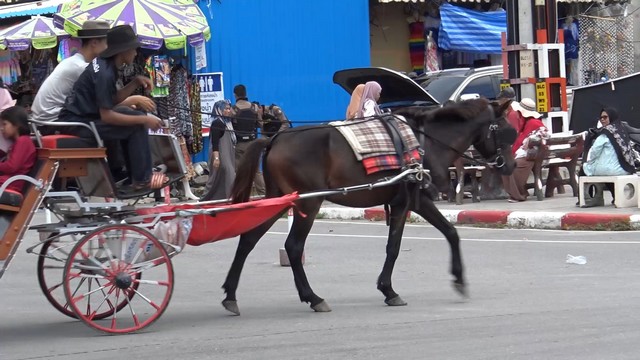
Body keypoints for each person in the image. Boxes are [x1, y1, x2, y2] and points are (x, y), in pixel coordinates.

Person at [58, 25, 166, 192]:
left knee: (132, 114)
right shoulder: (105, 74)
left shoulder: (104, 65)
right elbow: (107, 116)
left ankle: (131, 176)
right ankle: (142, 180)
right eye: (133, 49)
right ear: (123, 51)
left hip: (83, 119)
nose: (136, 53)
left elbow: (112, 100)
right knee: (137, 124)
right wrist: (145, 120)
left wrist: (135, 82)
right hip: (79, 124)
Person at [502, 98, 548, 202]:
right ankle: (516, 192)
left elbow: (542, 137)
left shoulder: (534, 123)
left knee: (514, 167)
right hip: (528, 154)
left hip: (532, 155)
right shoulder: (526, 123)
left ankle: (518, 194)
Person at [232, 84, 265, 195]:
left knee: (240, 171)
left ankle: (243, 195)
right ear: (246, 94)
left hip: (239, 144)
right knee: (256, 171)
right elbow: (260, 125)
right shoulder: (255, 107)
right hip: (253, 143)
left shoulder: (233, 109)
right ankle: (263, 194)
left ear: (235, 95)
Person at [582, 108, 635, 177]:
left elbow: (595, 150)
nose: (602, 120)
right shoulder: (621, 130)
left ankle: (583, 187)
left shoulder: (606, 132)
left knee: (585, 168)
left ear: (611, 116)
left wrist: (589, 162)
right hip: (625, 169)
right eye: (601, 118)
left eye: (605, 117)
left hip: (610, 169)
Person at [200, 100, 236, 201]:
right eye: (226, 109)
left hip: (228, 154)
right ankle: (204, 200)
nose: (228, 111)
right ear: (219, 110)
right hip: (220, 154)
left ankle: (224, 198)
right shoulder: (217, 123)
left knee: (223, 177)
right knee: (221, 176)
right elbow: (215, 143)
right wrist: (216, 158)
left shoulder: (228, 123)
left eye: (229, 109)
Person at [0, 106, 36, 192]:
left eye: (4, 124)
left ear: (16, 125)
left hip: (10, 184)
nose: (1, 128)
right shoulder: (19, 141)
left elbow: (11, 167)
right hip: (7, 182)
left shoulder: (23, 141)